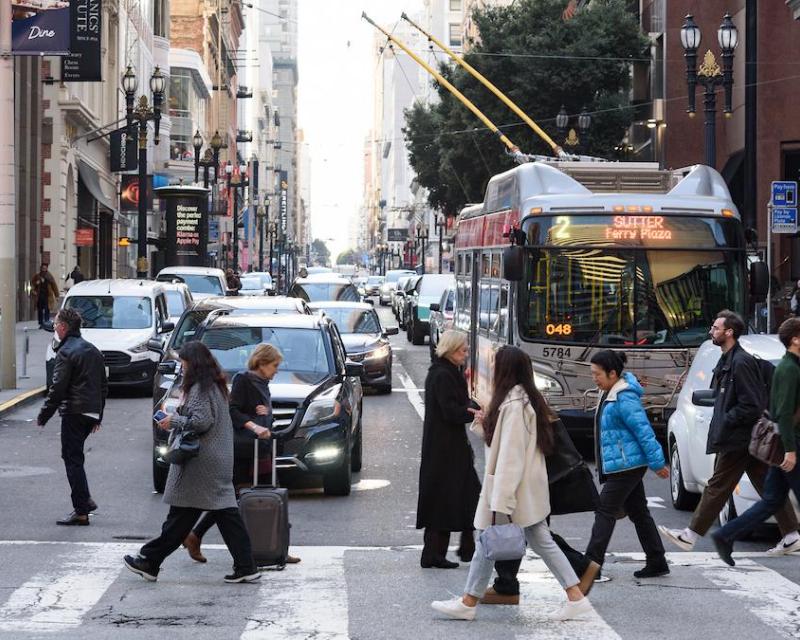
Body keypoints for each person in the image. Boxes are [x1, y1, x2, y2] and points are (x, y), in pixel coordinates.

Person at [431, 345, 593, 622]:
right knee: (537, 542)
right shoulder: (520, 401)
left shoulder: (515, 406)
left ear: (506, 370)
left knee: (488, 539)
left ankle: (469, 602)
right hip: (526, 491)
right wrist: (485, 423)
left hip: (514, 492)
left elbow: (510, 457)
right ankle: (574, 597)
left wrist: (502, 499)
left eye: (496, 365)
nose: (492, 369)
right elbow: (505, 445)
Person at [660, 310, 800, 555]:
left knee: (717, 486)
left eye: (716, 328)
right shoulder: (726, 360)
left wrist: (727, 420)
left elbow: (752, 404)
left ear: (729, 332)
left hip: (739, 439)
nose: (711, 331)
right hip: (741, 438)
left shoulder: (741, 362)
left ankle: (689, 536)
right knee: (769, 490)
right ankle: (791, 534)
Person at [123, 341, 260, 584]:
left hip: (200, 462)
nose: (181, 368)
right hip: (216, 459)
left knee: (180, 517)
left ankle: (150, 561)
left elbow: (201, 421)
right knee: (223, 516)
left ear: (193, 364)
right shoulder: (215, 386)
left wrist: (172, 421)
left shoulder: (200, 388)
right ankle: (246, 565)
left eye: (183, 363)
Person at [183, 344, 300, 565]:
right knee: (232, 500)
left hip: (261, 449)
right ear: (262, 363)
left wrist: (264, 414)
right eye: (274, 365)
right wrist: (254, 425)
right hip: (245, 450)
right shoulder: (244, 380)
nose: (276, 371)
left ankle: (277, 547)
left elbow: (254, 409)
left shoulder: (262, 382)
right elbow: (233, 410)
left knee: (268, 495)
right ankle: (270, 549)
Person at [712, 317, 800, 565]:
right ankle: (725, 535)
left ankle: (725, 535)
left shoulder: (792, 367)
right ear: (794, 339)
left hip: (786, 445)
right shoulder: (788, 369)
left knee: (772, 500)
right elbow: (782, 412)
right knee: (774, 499)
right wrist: (790, 452)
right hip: (791, 446)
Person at [584, 350, 670, 579]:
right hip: (623, 462)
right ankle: (657, 560)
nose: (594, 378)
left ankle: (591, 566)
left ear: (612, 373)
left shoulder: (624, 396)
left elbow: (644, 431)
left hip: (627, 465)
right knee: (638, 512)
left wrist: (657, 462)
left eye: (597, 374)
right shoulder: (610, 391)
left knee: (605, 511)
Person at [416, 330, 481, 569]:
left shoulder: (446, 372)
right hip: (444, 449)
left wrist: (471, 407)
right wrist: (471, 412)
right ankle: (436, 553)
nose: (466, 354)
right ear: (451, 350)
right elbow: (450, 411)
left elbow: (457, 404)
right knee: (446, 499)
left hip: (450, 447)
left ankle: (461, 546)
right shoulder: (442, 375)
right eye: (463, 350)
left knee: (466, 494)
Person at [36, 308, 107, 526]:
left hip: (74, 412)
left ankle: (81, 510)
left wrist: (44, 414)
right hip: (90, 412)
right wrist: (98, 416)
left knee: (72, 459)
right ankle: (84, 499)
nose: (54, 327)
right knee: (74, 457)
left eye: (56, 324)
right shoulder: (93, 350)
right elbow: (103, 386)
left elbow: (57, 388)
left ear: (64, 327)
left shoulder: (66, 351)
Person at [31, 263, 59, 328]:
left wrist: (56, 295)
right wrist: (35, 287)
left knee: (47, 309)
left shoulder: (49, 276)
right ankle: (41, 323)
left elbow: (54, 286)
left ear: (46, 268)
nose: (44, 269)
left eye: (45, 268)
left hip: (47, 296)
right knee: (40, 310)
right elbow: (32, 284)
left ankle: (46, 322)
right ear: (41, 268)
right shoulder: (37, 276)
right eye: (43, 268)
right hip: (40, 296)